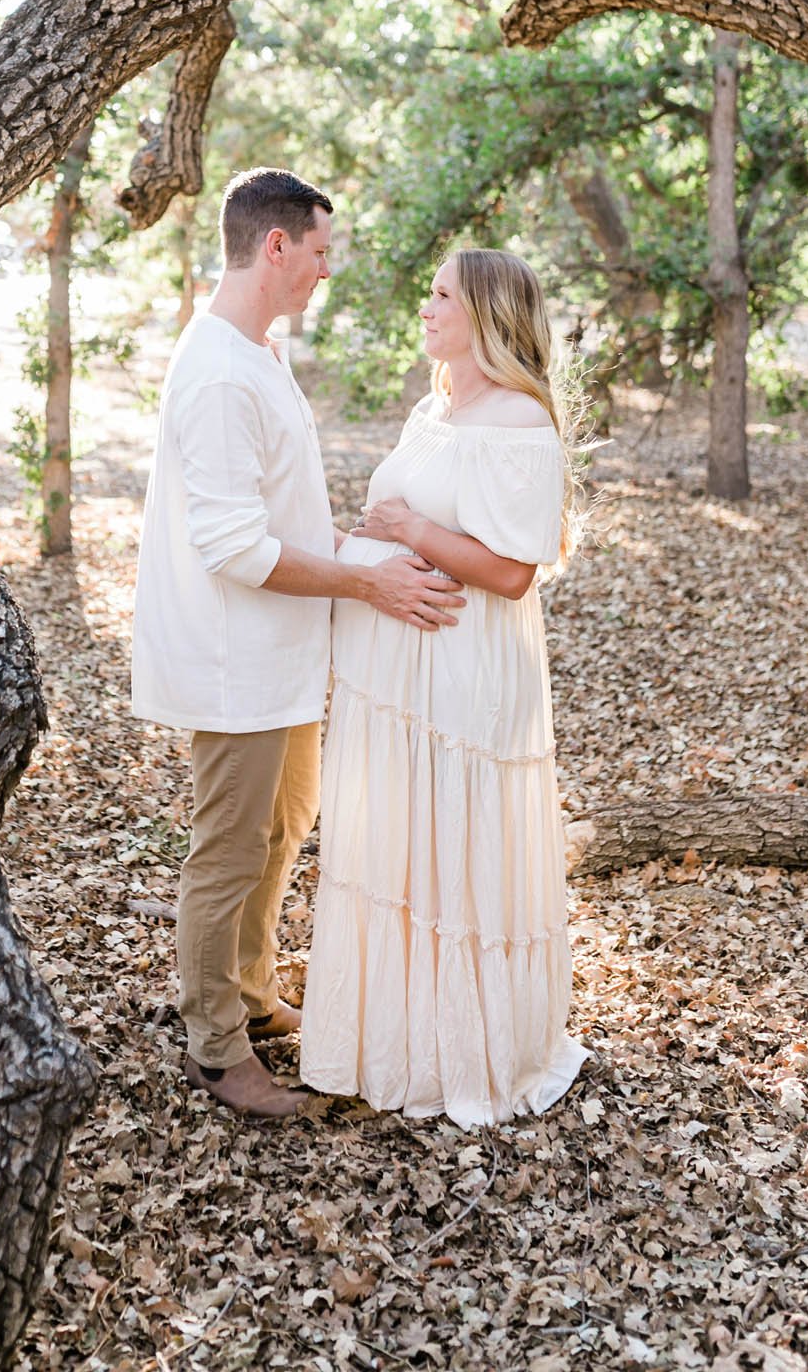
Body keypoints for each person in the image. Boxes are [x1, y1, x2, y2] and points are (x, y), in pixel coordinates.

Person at [131, 168, 465, 1119]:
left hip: (284, 655)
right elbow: (233, 545)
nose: (327, 269)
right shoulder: (217, 372)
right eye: (320, 251)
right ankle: (215, 1048)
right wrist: (367, 580)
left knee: (281, 831)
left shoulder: (259, 352)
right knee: (228, 849)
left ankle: (248, 987)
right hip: (234, 658)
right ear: (275, 247)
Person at [300, 247, 589, 1128]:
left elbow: (510, 573)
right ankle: (391, 1038)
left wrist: (408, 529)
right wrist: (378, 541)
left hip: (460, 674)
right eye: (427, 291)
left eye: (441, 297)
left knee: (451, 843)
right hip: (396, 681)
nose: (424, 307)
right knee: (401, 842)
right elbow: (396, 523)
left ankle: (466, 1051)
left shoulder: (519, 423)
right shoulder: (437, 405)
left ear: (488, 318)